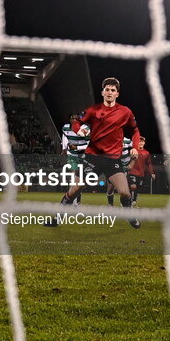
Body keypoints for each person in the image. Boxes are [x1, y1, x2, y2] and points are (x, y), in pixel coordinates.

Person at [57, 77, 141, 228]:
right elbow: (76, 122)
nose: (110, 92)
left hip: (113, 160)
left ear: (117, 94)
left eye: (113, 90)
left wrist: (135, 146)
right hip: (92, 157)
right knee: (76, 189)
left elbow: (135, 130)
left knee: (125, 193)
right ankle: (58, 217)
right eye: (107, 90)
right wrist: (79, 129)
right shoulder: (93, 110)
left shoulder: (125, 112)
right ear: (102, 92)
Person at [60, 112, 89, 206]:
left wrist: (77, 147)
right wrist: (64, 148)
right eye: (72, 118)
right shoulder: (65, 127)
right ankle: (73, 201)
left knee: (80, 180)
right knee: (73, 175)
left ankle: (77, 199)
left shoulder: (85, 129)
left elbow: (90, 145)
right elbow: (64, 136)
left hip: (83, 155)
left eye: (76, 118)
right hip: (72, 155)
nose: (73, 120)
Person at [126, 135, 155, 207]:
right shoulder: (133, 150)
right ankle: (128, 203)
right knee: (133, 186)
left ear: (144, 143)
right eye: (139, 141)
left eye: (142, 141)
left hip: (141, 174)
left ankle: (133, 203)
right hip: (132, 172)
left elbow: (149, 164)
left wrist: (152, 173)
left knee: (137, 189)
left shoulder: (146, 153)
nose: (141, 142)